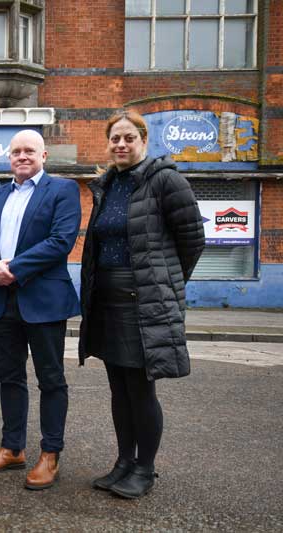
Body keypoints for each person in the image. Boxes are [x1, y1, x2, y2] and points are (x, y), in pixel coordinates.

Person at [79, 110, 205, 499]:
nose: (120, 144)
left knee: (141, 388)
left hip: (143, 301)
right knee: (119, 387)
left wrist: (163, 282)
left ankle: (145, 469)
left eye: (128, 138)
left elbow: (192, 240)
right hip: (107, 301)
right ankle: (123, 461)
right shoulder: (108, 184)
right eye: (115, 138)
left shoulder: (166, 181)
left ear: (144, 141)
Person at [0, 129, 81, 490]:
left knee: (51, 379)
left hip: (43, 301)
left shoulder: (63, 190)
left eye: (29, 150)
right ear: (9, 157)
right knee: (9, 377)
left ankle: (50, 454)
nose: (22, 156)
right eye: (16, 151)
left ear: (44, 155)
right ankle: (13, 447)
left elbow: (60, 242)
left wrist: (12, 268)